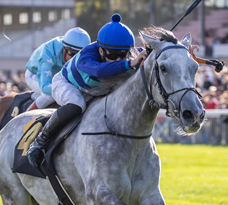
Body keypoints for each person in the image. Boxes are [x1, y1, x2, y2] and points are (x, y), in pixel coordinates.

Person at [27, 13, 147, 167]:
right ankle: (39, 142)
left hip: (93, 89)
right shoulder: (87, 55)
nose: (118, 59)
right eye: (114, 55)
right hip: (66, 84)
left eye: (123, 55)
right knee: (77, 104)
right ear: (101, 50)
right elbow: (98, 71)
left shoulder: (126, 55)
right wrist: (129, 64)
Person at [25, 27, 91, 110]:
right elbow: (45, 87)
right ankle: (25, 119)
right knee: (51, 95)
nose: (74, 60)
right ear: (64, 49)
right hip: (34, 74)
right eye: (72, 54)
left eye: (79, 56)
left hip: (58, 78)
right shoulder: (49, 51)